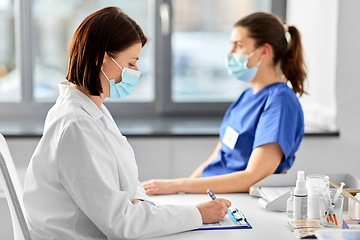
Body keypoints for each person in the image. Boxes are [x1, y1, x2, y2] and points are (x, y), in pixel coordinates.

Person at [23, 7, 230, 240]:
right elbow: (121, 223)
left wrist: (137, 202)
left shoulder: (91, 111)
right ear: (99, 60)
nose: (136, 72)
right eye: (131, 63)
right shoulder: (76, 124)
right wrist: (197, 214)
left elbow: (125, 188)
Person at [142, 12, 306, 195]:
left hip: (233, 199)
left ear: (264, 51)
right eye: (232, 45)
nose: (231, 53)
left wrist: (177, 185)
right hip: (209, 192)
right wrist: (183, 190)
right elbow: (217, 157)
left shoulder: (280, 102)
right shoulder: (246, 96)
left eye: (239, 46)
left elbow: (254, 177)